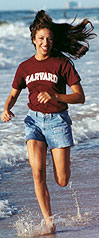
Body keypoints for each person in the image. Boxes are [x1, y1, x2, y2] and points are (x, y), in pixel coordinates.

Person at [1, 10, 96, 234]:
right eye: (42, 38)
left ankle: (59, 167)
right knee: (37, 173)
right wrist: (6, 108)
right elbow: (14, 93)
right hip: (33, 122)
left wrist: (55, 96)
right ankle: (49, 221)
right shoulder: (24, 67)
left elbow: (80, 97)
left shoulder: (62, 64)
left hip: (58, 122)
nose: (46, 42)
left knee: (62, 180)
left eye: (50, 39)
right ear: (33, 39)